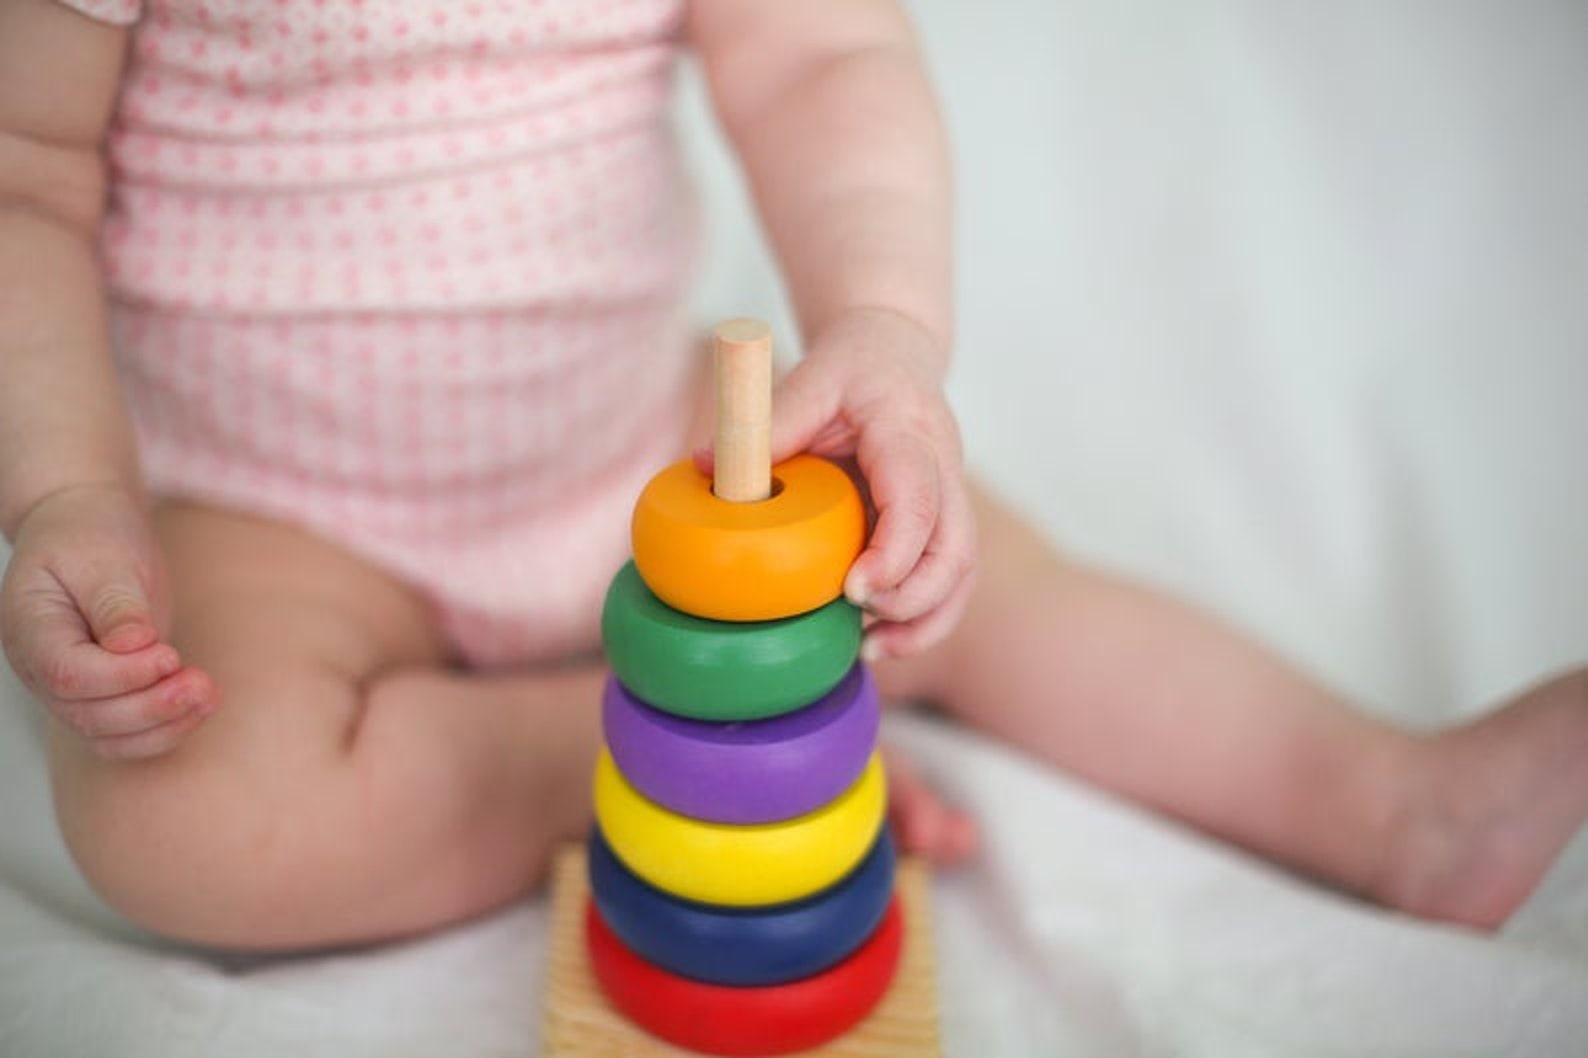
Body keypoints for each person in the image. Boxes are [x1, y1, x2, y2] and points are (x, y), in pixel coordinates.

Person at [1, 0, 1583, 951]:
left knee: (965, 577)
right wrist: (67, 492)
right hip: (277, 514)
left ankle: (1396, 805)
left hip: (643, 450)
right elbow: (24, 177)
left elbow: (824, 54)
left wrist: (883, 329)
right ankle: (705, 756)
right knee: (180, 822)